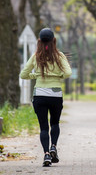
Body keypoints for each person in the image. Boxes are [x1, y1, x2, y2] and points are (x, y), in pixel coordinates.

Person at [20, 28, 72, 167]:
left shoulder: (36, 56)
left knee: (44, 128)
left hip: (40, 95)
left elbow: (23, 75)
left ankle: (46, 155)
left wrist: (35, 76)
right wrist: (58, 76)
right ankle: (53, 146)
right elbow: (68, 73)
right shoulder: (59, 56)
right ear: (53, 41)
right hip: (55, 95)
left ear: (39, 41)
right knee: (55, 123)